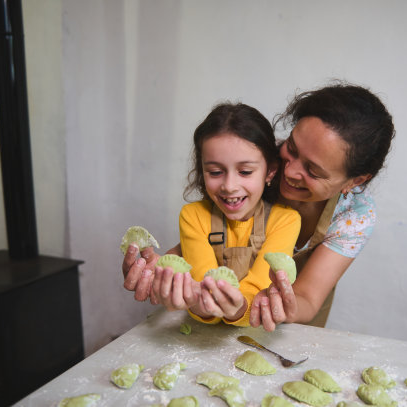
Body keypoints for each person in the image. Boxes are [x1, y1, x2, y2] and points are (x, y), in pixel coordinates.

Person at [123, 82, 395, 332]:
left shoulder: (354, 216)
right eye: (292, 147)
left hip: (286, 327)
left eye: (312, 170)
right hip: (209, 317)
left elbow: (308, 298)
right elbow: (208, 229)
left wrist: (262, 305)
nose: (289, 170)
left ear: (355, 181)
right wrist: (160, 269)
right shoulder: (256, 164)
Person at [124, 103, 301, 327]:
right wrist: (196, 300)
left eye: (245, 172)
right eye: (216, 172)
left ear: (271, 171)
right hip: (201, 334)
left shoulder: (285, 221)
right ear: (202, 171)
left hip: (260, 332)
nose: (229, 186)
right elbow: (201, 282)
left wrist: (238, 309)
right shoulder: (193, 216)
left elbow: (258, 291)